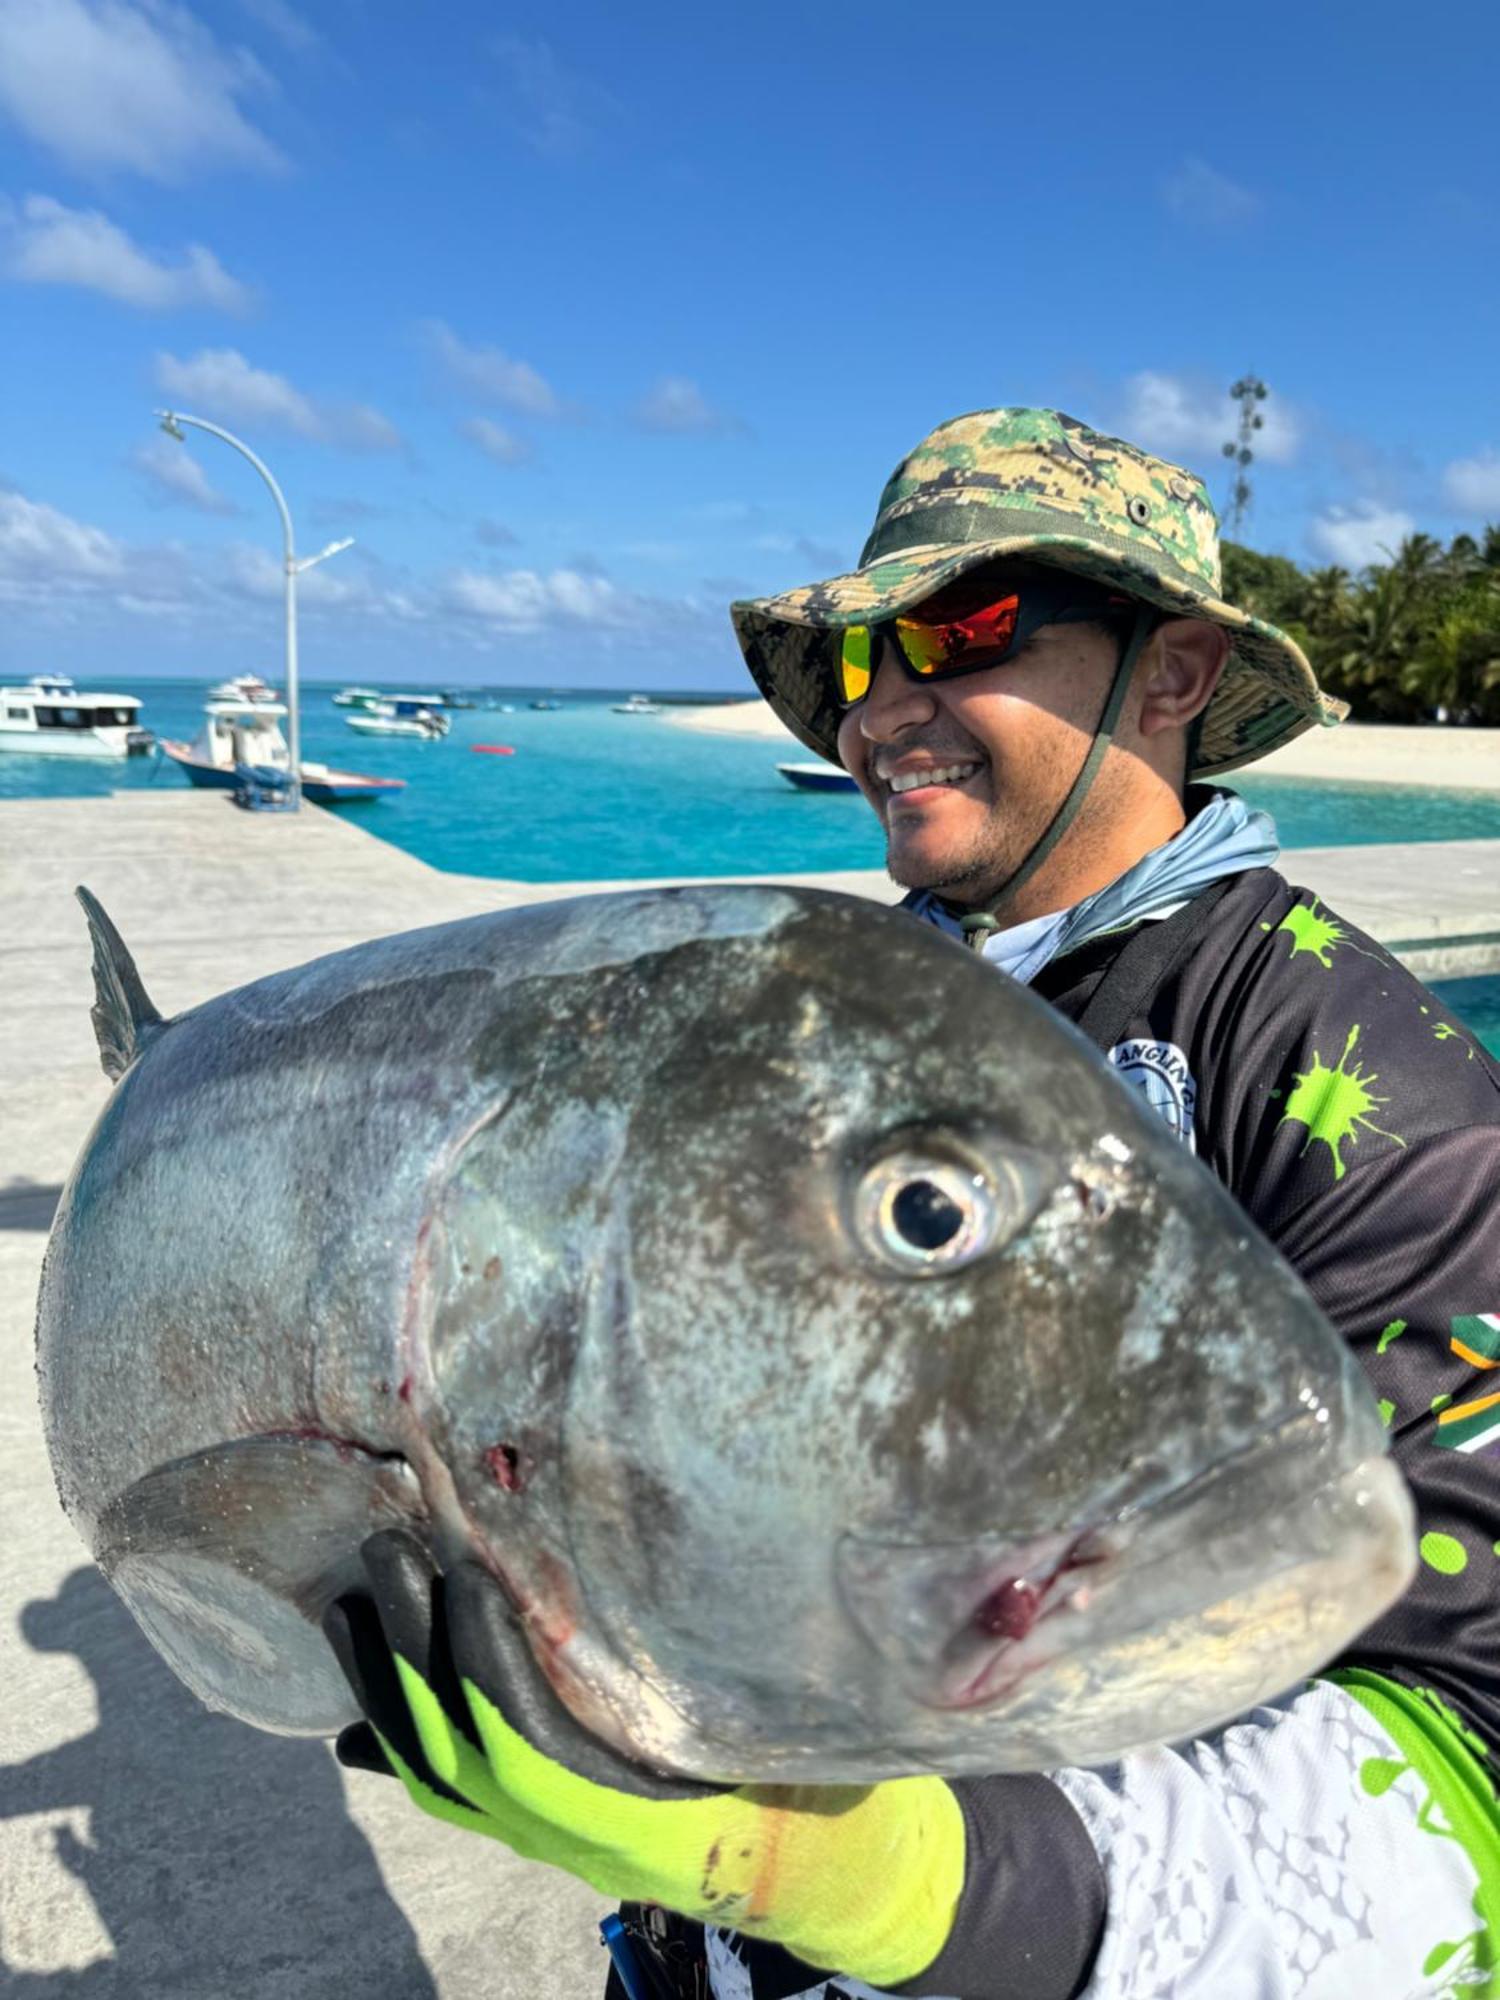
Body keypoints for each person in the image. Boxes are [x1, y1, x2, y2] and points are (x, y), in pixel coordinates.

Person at [325, 409, 1500, 1998]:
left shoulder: (1354, 1069)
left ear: (1174, 673)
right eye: (864, 663)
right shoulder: (832, 1011)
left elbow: (1466, 1765)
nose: (888, 711)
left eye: (961, 630)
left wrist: (907, 1881)